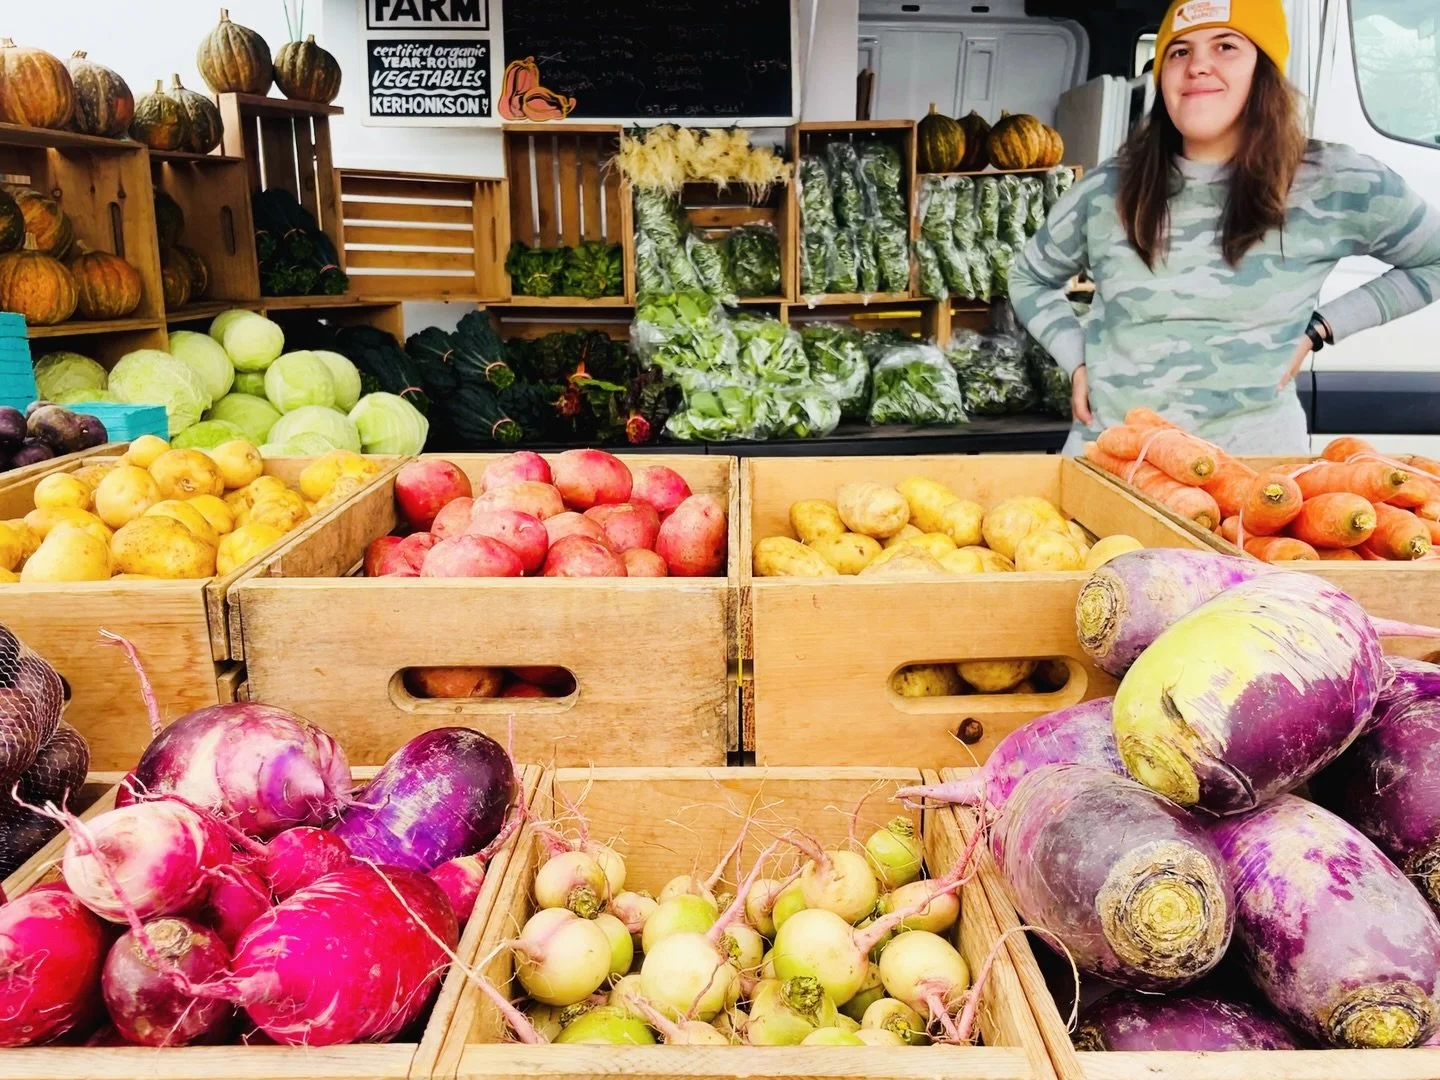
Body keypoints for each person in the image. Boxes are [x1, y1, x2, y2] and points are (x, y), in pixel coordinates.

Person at [1010, 0, 1440, 455]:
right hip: (1113, 461)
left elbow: (1433, 260)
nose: (1198, 66)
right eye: (1179, 52)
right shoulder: (1107, 188)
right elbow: (1028, 276)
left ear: (1265, 70)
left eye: (1225, 46)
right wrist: (1076, 360)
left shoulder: (1337, 182)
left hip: (1252, 478)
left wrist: (1321, 328)